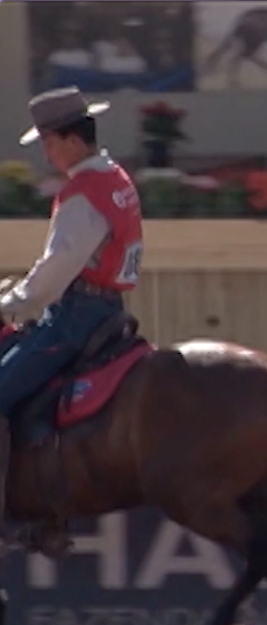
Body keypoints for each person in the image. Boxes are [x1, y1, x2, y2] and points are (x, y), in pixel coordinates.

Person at [0, 86, 143, 519]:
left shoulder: (82, 194)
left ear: (72, 140)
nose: (46, 152)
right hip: (108, 308)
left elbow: (54, 272)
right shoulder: (115, 177)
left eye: (48, 142)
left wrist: (9, 304)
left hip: (75, 318)